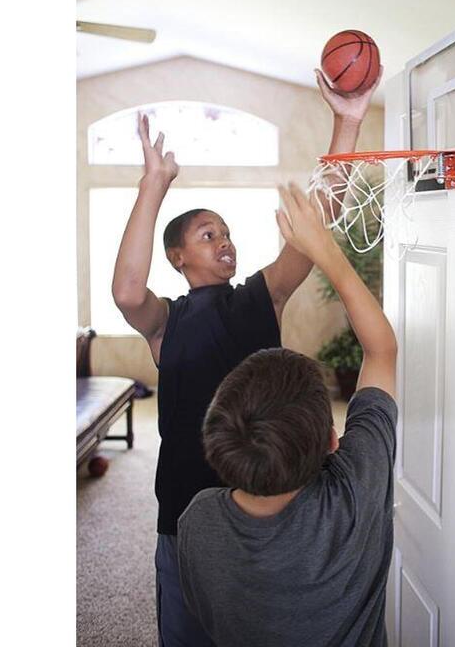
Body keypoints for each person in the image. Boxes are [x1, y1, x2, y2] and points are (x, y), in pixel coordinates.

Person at [111, 70, 381, 647]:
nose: (224, 241)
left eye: (227, 232)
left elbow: (316, 229)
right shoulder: (166, 321)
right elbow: (128, 293)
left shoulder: (259, 297)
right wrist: (154, 185)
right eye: (208, 235)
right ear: (178, 256)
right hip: (184, 514)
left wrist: (347, 120)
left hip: (270, 505)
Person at [177, 182, 398, 647]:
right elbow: (382, 351)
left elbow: (381, 353)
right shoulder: (353, 495)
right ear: (332, 440)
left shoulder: (197, 521)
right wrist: (329, 254)